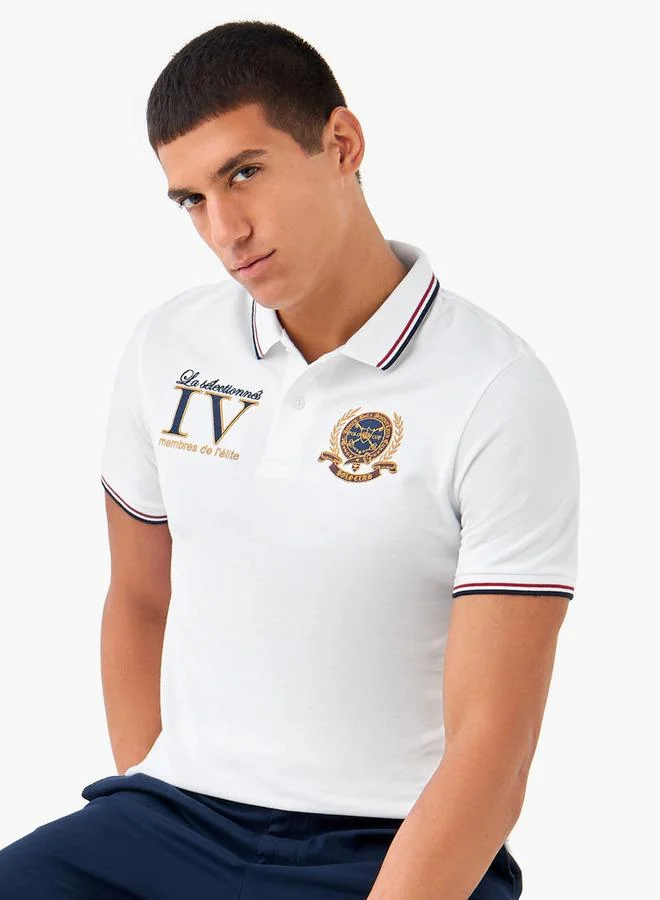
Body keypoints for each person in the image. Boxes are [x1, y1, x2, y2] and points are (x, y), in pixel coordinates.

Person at [0, 18, 579, 899]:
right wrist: (155, 794)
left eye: (244, 173)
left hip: (385, 847)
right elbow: (140, 597)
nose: (225, 229)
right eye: (192, 200)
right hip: (172, 819)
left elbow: (495, 745)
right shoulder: (167, 347)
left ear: (341, 144)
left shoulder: (495, 390)